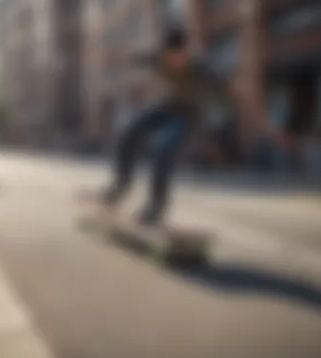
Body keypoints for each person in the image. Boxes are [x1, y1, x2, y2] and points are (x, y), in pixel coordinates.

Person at [98, 25, 239, 225]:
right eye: (170, 57)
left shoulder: (204, 69)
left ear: (186, 51)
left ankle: (156, 206)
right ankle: (120, 185)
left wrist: (228, 120)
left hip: (188, 116)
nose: (175, 62)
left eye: (179, 56)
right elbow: (133, 58)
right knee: (129, 131)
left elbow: (231, 94)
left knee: (163, 148)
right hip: (166, 107)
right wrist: (113, 54)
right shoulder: (158, 58)